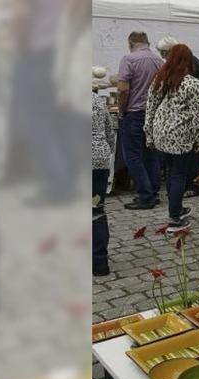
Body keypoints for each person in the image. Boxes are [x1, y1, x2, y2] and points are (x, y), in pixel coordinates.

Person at [144, 44, 199, 233]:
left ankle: (177, 208)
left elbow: (150, 108)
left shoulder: (160, 78)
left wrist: (149, 134)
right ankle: (175, 217)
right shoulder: (192, 83)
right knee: (179, 174)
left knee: (171, 173)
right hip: (180, 136)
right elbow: (198, 116)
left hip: (161, 134)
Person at [117, 31, 164, 209]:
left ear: (131, 43)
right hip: (153, 113)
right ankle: (153, 192)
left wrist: (122, 109)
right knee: (151, 154)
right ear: (147, 42)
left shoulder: (128, 59)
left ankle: (145, 196)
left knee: (133, 157)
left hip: (134, 113)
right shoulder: (158, 61)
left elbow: (123, 89)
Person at [92, 90, 116, 276]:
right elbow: (109, 131)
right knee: (96, 210)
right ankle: (100, 263)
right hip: (99, 159)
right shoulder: (97, 100)